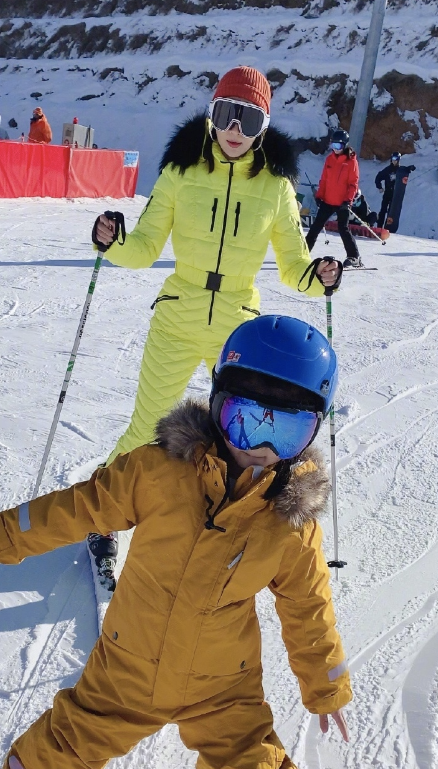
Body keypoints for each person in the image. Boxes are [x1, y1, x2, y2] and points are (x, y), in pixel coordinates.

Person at [0, 313, 352, 769]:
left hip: (221, 684)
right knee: (48, 754)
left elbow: (308, 608)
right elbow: (83, 504)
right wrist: (7, 535)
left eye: (286, 429)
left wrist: (325, 682)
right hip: (128, 663)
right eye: (246, 419)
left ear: (312, 433)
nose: (259, 447)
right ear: (218, 404)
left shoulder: (288, 523)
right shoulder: (160, 471)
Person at [89, 66, 340, 583]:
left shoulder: (276, 188)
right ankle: (102, 513)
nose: (235, 129)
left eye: (248, 119)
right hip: (178, 317)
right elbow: (143, 249)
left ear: (263, 126)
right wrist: (113, 242)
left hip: (238, 334)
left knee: (241, 434)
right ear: (211, 114)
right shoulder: (180, 172)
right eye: (226, 113)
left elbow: (294, 268)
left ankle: (233, 525)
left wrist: (320, 277)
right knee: (146, 426)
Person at [305, 129, 362, 267]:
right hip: (328, 200)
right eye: (333, 146)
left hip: (342, 202)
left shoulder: (350, 162)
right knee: (315, 227)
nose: (335, 149)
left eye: (338, 147)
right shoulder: (329, 159)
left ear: (344, 146)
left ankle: (354, 257)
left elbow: (353, 184)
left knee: (343, 229)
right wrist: (319, 196)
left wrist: (348, 200)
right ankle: (303, 252)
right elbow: (324, 180)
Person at [375, 151, 415, 228]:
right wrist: (379, 187)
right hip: (387, 193)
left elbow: (407, 169)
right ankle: (379, 227)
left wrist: (411, 168)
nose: (394, 161)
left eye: (396, 159)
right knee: (383, 210)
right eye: (393, 159)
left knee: (391, 212)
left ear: (399, 160)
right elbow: (378, 177)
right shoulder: (387, 170)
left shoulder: (400, 170)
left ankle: (388, 227)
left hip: (395, 195)